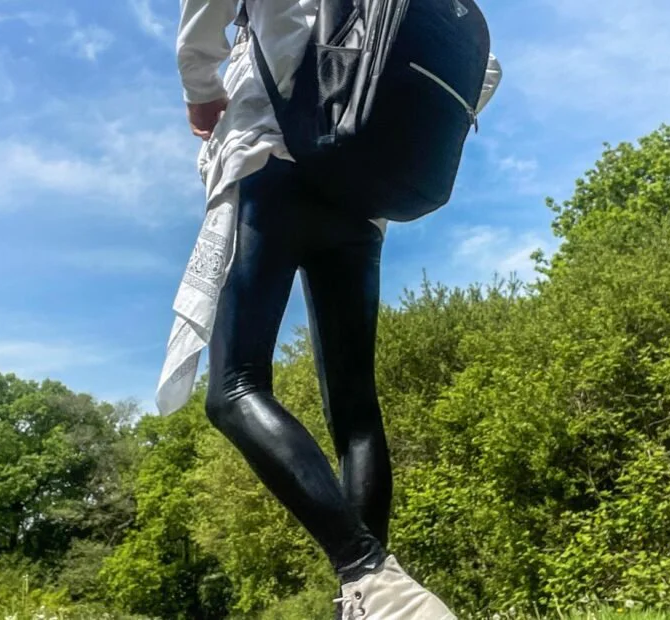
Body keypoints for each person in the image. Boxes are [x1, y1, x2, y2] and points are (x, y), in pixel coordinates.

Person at [156, 0, 502, 617]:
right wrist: (381, 115)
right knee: (355, 411)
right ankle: (367, 599)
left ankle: (367, 571)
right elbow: (486, 68)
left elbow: (208, 26)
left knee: (234, 390)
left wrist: (200, 87)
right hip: (361, 201)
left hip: (275, 160)